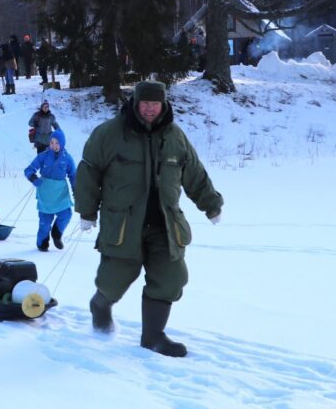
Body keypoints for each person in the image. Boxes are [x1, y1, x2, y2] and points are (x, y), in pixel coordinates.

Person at [74, 80, 224, 357]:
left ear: (163, 104)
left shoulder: (175, 136)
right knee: (114, 279)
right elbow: (88, 172)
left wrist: (210, 203)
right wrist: (87, 211)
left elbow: (194, 172)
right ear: (135, 103)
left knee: (172, 277)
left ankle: (153, 337)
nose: (151, 109)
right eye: (146, 104)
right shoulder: (109, 134)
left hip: (165, 225)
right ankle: (101, 305)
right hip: (123, 224)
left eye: (156, 104)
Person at [23, 129, 76, 252]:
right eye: (52, 142)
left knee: (66, 214)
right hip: (45, 194)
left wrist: (76, 192)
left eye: (57, 143)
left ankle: (56, 234)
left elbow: (73, 176)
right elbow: (28, 170)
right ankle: (42, 244)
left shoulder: (67, 159)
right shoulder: (43, 156)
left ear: (62, 144)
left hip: (60, 194)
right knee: (44, 223)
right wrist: (33, 178)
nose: (54, 146)